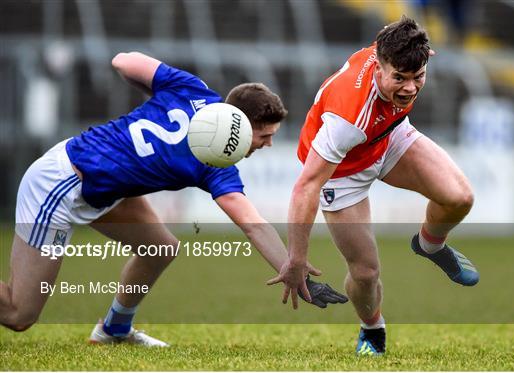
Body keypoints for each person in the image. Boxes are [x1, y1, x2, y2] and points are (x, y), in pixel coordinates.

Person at [0, 51, 348, 346]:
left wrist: (154, 94)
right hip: (63, 184)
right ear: (238, 125)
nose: (267, 144)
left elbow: (123, 61)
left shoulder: (191, 89)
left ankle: (114, 329)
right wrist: (295, 271)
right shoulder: (215, 162)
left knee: (160, 248)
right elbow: (254, 227)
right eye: (263, 135)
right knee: (19, 314)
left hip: (102, 190)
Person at [268, 16, 479, 356]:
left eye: (418, 76)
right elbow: (305, 187)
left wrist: (417, 49)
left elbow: (398, 36)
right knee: (366, 273)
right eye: (400, 78)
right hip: (342, 171)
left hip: (385, 137)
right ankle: (373, 329)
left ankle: (430, 245)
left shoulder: (398, 51)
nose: (410, 87)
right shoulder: (346, 119)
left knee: (460, 198)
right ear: (379, 67)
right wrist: (296, 260)